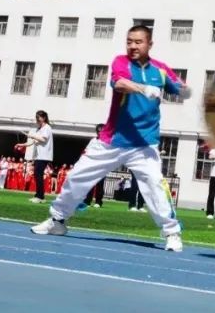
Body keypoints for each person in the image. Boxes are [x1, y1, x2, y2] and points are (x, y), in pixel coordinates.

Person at [31, 25, 189, 252]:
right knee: (76, 177)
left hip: (144, 144)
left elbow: (182, 89)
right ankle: (57, 221)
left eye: (138, 42)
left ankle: (172, 233)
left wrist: (189, 91)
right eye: (129, 41)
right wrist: (144, 88)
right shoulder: (121, 62)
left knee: (155, 186)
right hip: (111, 140)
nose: (133, 46)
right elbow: (120, 84)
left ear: (149, 44)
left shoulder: (161, 69)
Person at [16, 110, 54, 203]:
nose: (37, 119)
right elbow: (32, 142)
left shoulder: (47, 127)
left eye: (38, 118)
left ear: (44, 118)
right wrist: (22, 144)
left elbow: (43, 139)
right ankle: (39, 195)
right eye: (36, 118)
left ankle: (40, 197)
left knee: (38, 175)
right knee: (37, 175)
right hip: (38, 156)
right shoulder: (39, 129)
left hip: (44, 155)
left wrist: (32, 135)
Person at [83, 124, 106, 208]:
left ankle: (98, 202)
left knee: (100, 184)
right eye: (98, 130)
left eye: (102, 130)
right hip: (92, 164)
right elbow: (86, 150)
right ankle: (87, 201)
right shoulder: (93, 140)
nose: (100, 132)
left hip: (102, 165)